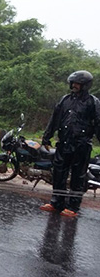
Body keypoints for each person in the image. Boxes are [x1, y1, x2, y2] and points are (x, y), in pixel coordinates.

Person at [40, 70, 100, 217]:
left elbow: (99, 123)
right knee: (59, 174)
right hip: (64, 143)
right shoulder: (65, 100)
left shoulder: (93, 102)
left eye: (77, 83)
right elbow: (54, 119)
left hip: (82, 145)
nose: (74, 85)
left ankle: (73, 206)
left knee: (78, 176)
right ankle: (56, 203)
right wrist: (47, 137)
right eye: (73, 83)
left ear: (85, 85)